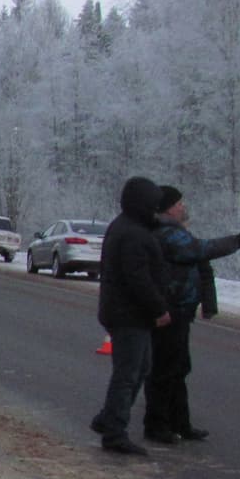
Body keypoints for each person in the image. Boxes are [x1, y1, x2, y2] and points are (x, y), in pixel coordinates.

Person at [143, 185, 240, 443]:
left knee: (178, 367)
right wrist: (236, 242)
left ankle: (179, 423)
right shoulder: (167, 234)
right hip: (169, 311)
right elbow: (201, 250)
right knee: (165, 369)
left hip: (178, 310)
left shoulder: (173, 232)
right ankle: (157, 425)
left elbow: (202, 266)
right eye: (178, 203)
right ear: (167, 208)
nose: (183, 207)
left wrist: (208, 302)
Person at [90, 176, 173, 456]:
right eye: (153, 203)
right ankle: (114, 431)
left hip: (126, 312)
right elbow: (138, 278)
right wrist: (159, 309)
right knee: (128, 373)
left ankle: (108, 419)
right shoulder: (133, 233)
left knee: (140, 368)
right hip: (129, 314)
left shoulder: (126, 227)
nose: (156, 209)